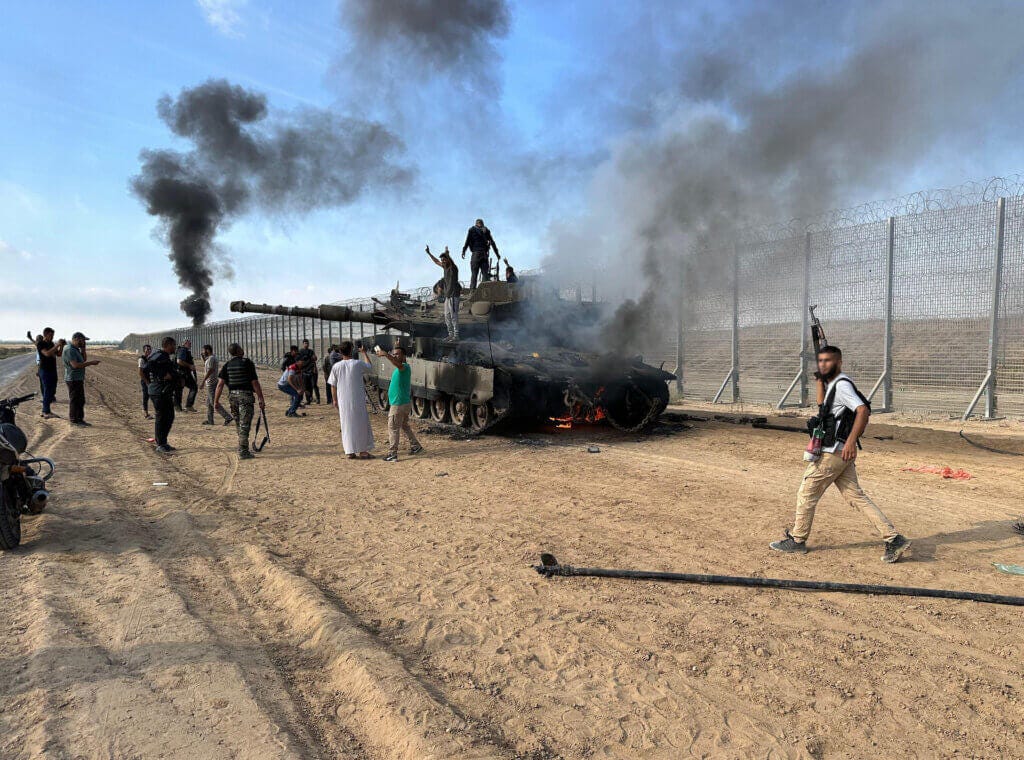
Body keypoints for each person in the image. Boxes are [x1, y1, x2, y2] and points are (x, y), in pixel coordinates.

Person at [770, 345, 911, 564]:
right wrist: (819, 381)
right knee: (856, 497)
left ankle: (797, 541)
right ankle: (894, 538)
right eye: (821, 361)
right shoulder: (833, 384)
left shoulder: (842, 385)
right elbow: (822, 408)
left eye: (828, 361)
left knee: (806, 493)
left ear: (839, 362)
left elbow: (862, 410)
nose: (823, 364)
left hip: (834, 452)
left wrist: (851, 442)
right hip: (839, 452)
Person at [214, 342, 265, 460]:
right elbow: (254, 382)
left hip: (233, 397)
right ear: (237, 351)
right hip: (245, 397)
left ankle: (242, 446)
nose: (243, 349)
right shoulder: (247, 363)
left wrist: (216, 401)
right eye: (241, 348)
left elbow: (220, 385)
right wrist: (260, 398)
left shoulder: (227, 365)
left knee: (239, 423)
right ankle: (243, 451)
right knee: (244, 424)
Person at [327, 340, 374, 459]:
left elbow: (333, 385)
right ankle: (363, 451)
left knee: (346, 425)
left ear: (341, 352)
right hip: (357, 399)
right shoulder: (357, 363)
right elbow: (370, 367)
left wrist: (334, 400)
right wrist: (364, 353)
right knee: (361, 424)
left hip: (343, 400)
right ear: (351, 350)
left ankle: (349, 451)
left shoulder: (336, 366)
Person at [378, 345, 423, 462]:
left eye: (397, 354)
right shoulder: (400, 368)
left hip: (398, 404)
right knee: (404, 426)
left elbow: (397, 363)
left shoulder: (404, 367)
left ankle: (392, 453)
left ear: (404, 356)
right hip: (402, 403)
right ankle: (416, 446)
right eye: (394, 354)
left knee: (393, 428)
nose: (395, 355)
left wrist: (386, 354)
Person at [145, 337, 180, 453]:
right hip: (159, 391)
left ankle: (163, 442)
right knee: (161, 417)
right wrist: (163, 374)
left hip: (163, 391)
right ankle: (160, 444)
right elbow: (148, 365)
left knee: (169, 416)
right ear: (168, 345)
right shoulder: (160, 355)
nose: (174, 347)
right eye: (173, 345)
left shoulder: (164, 356)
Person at [62, 332, 99, 426]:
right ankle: (74, 420)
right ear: (76, 339)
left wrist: (83, 349)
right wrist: (91, 363)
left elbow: (83, 359)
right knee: (75, 400)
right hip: (73, 378)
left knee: (80, 400)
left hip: (77, 378)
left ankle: (79, 419)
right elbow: (75, 365)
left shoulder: (75, 349)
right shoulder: (70, 349)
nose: (83, 342)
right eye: (82, 340)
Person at [426, 245, 461, 341]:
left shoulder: (453, 268)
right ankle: (450, 334)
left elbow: (450, 261)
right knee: (446, 316)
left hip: (454, 295)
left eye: (444, 259)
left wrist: (447, 253)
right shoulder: (444, 267)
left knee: (454, 316)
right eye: (442, 260)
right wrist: (429, 253)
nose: (443, 261)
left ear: (448, 259)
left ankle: (456, 336)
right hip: (448, 296)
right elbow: (436, 261)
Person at [35, 328, 65, 419]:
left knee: (52, 390)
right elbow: (47, 354)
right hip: (44, 370)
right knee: (47, 390)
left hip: (52, 370)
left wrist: (62, 346)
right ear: (45, 334)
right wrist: (57, 345)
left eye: (53, 335)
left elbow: (59, 354)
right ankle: (45, 411)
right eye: (51, 335)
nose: (52, 337)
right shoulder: (41, 344)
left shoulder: (51, 344)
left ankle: (46, 409)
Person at [461, 218, 499, 290]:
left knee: (474, 274)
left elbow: (467, 241)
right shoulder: (486, 230)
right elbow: (492, 242)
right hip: (484, 254)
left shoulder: (472, 230)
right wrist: (497, 253)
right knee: (485, 274)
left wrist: (464, 250)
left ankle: (472, 291)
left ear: (476, 223)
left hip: (476, 254)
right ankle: (485, 292)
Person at [200, 344, 233, 426]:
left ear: (208, 350)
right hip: (211, 383)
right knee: (209, 403)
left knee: (214, 402)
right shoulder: (211, 358)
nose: (203, 352)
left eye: (203, 350)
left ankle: (227, 417)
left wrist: (203, 381)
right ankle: (210, 420)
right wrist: (203, 359)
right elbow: (208, 367)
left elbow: (210, 370)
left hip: (211, 383)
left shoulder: (211, 359)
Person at [175, 338, 198, 412]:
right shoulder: (183, 350)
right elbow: (179, 361)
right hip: (183, 373)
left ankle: (182, 407)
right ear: (184, 343)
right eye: (189, 343)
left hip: (182, 373)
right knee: (193, 387)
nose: (190, 345)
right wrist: (189, 366)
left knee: (180, 389)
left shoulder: (183, 350)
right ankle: (186, 406)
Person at [297, 339, 318, 405]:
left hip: (310, 371)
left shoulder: (311, 351)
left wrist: (314, 367)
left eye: (307, 343)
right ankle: (307, 399)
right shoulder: (300, 351)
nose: (306, 344)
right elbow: (298, 361)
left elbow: (314, 359)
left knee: (311, 386)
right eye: (305, 343)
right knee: (305, 386)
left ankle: (310, 399)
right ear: (303, 344)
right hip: (303, 371)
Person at [138, 344, 153, 419]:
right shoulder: (142, 359)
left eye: (150, 349)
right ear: (144, 350)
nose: (149, 351)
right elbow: (140, 372)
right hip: (145, 380)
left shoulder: (150, 358)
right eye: (147, 349)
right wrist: (147, 382)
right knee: (146, 396)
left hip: (151, 380)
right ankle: (145, 413)